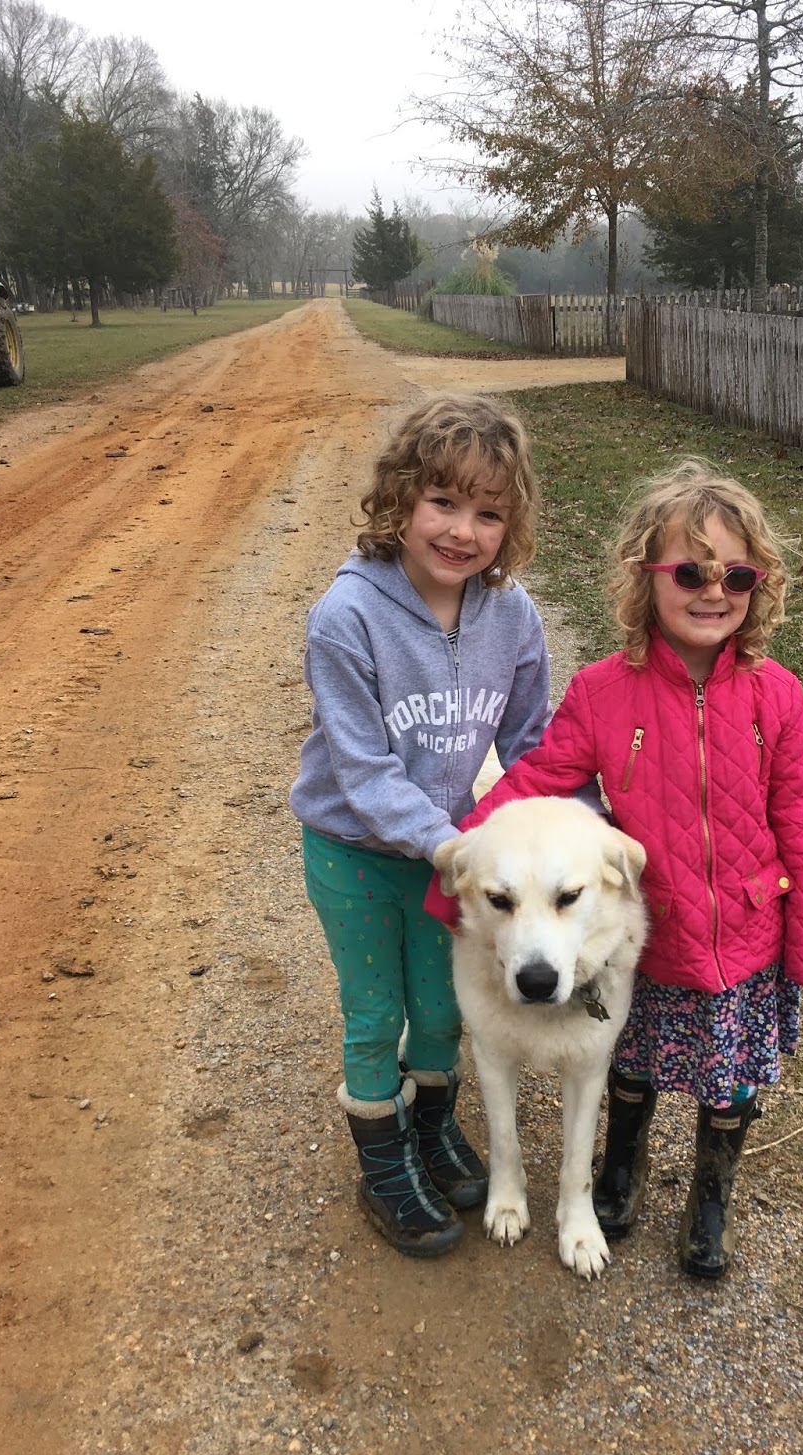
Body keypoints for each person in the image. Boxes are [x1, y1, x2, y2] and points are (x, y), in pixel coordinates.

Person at [427, 458, 803, 1279]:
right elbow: (535, 780)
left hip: (747, 938)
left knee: (729, 1085)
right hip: (656, 939)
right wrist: (462, 867)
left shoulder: (778, 697)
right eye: (689, 571)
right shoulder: (604, 692)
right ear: (646, 578)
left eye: (737, 575)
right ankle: (620, 1166)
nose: (713, 591)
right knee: (631, 1069)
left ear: (761, 586)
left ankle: (712, 1194)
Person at [290, 393, 551, 1259]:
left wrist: (557, 828)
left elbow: (531, 743)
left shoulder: (512, 616)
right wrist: (454, 846)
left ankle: (431, 1126)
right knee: (376, 1012)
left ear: (509, 528)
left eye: (488, 513)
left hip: (451, 854)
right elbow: (362, 773)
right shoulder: (347, 618)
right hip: (354, 853)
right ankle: (384, 1165)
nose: (461, 532)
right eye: (443, 502)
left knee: (443, 1009)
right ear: (400, 498)